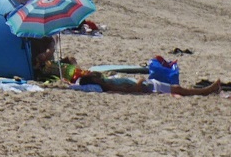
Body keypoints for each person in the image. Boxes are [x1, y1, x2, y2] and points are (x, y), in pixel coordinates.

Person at [74, 72, 223, 96]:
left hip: (147, 84)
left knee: (177, 88)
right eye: (93, 76)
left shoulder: (106, 81)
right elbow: (132, 90)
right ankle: (207, 90)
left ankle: (207, 90)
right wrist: (140, 80)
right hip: (146, 86)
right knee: (178, 89)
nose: (95, 75)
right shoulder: (108, 86)